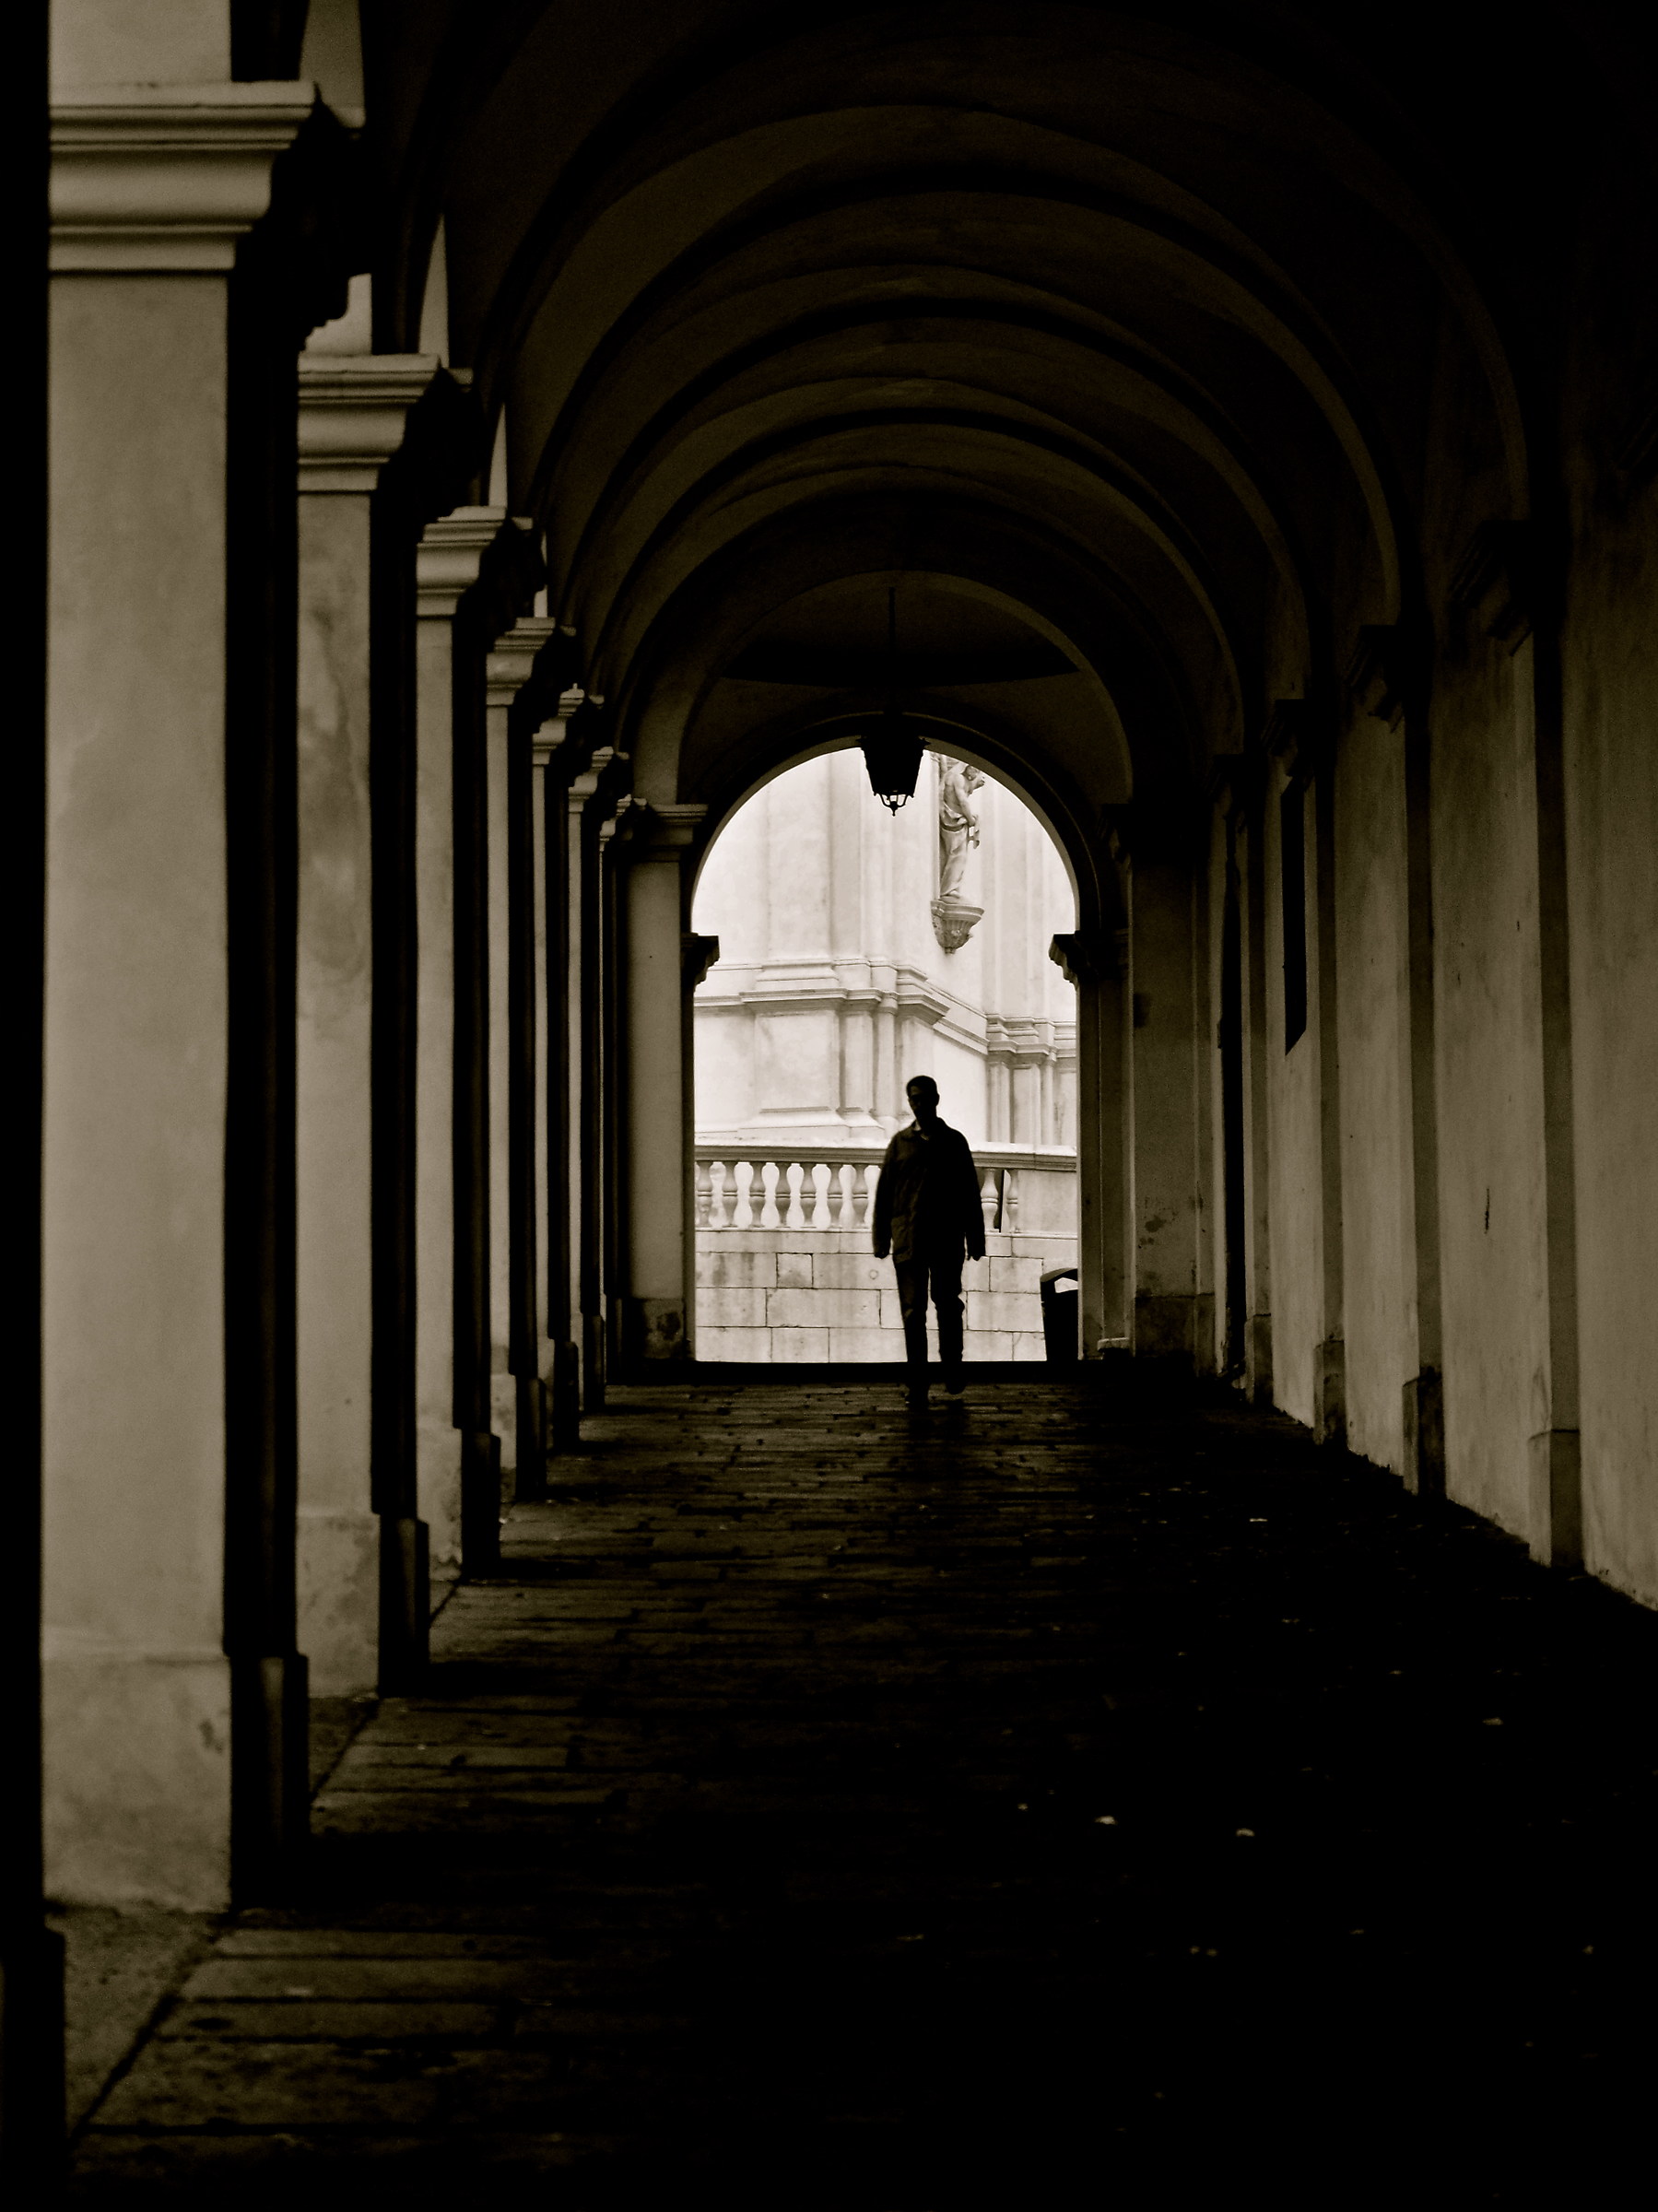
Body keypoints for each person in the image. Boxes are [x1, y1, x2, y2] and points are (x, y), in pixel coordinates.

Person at [872, 1076, 986, 1402]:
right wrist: (881, 1238)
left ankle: (952, 1369)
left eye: (924, 1098)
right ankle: (918, 1383)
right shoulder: (899, 1144)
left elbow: (969, 1193)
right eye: (914, 1099)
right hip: (908, 1240)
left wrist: (975, 1238)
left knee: (949, 1306)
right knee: (912, 1312)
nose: (919, 1104)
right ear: (910, 1102)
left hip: (946, 1240)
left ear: (936, 1099)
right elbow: (885, 1194)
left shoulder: (954, 1142)